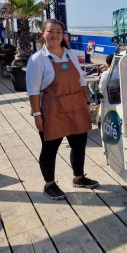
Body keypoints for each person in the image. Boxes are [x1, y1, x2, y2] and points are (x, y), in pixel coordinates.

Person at [26, 19, 99, 200]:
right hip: (52, 110)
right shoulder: (37, 59)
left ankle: (79, 177)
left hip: (76, 106)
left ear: (63, 35)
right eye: (51, 31)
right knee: (50, 148)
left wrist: (87, 104)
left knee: (79, 144)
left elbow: (81, 81)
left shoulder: (70, 53)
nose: (55, 35)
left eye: (59, 31)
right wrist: (37, 115)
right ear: (43, 33)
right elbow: (33, 91)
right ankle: (49, 184)